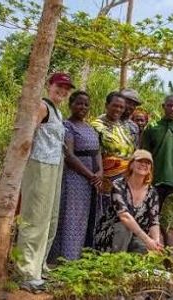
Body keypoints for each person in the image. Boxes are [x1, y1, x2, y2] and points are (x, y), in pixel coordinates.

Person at [16, 72, 74, 292]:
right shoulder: (42, 106)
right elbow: (27, 134)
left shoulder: (58, 111)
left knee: (50, 218)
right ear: (49, 85)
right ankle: (26, 272)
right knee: (35, 218)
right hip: (39, 165)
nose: (62, 90)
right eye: (59, 86)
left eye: (66, 88)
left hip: (55, 165)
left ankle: (39, 267)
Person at [49, 91, 102, 262]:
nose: (83, 107)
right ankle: (67, 258)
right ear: (71, 105)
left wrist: (100, 172)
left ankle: (82, 257)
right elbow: (69, 156)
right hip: (76, 179)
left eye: (86, 104)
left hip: (93, 179)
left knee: (88, 217)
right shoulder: (67, 126)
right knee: (73, 217)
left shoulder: (89, 127)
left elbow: (98, 151)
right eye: (79, 103)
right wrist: (90, 175)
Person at [94, 150, 162, 253]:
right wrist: (147, 239)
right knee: (124, 228)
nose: (143, 164)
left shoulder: (152, 192)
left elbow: (154, 221)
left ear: (150, 169)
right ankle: (115, 264)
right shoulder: (118, 185)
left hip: (136, 236)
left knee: (144, 248)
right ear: (131, 165)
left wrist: (155, 242)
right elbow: (124, 217)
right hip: (112, 234)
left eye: (147, 162)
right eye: (140, 161)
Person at [142, 95, 173, 204]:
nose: (172, 109)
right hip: (154, 179)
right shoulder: (152, 127)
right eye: (169, 106)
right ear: (163, 106)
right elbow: (144, 155)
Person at [91, 91, 135, 194]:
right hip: (107, 178)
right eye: (115, 106)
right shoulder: (97, 126)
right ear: (107, 105)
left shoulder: (124, 127)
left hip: (127, 177)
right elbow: (95, 153)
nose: (118, 110)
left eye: (121, 107)